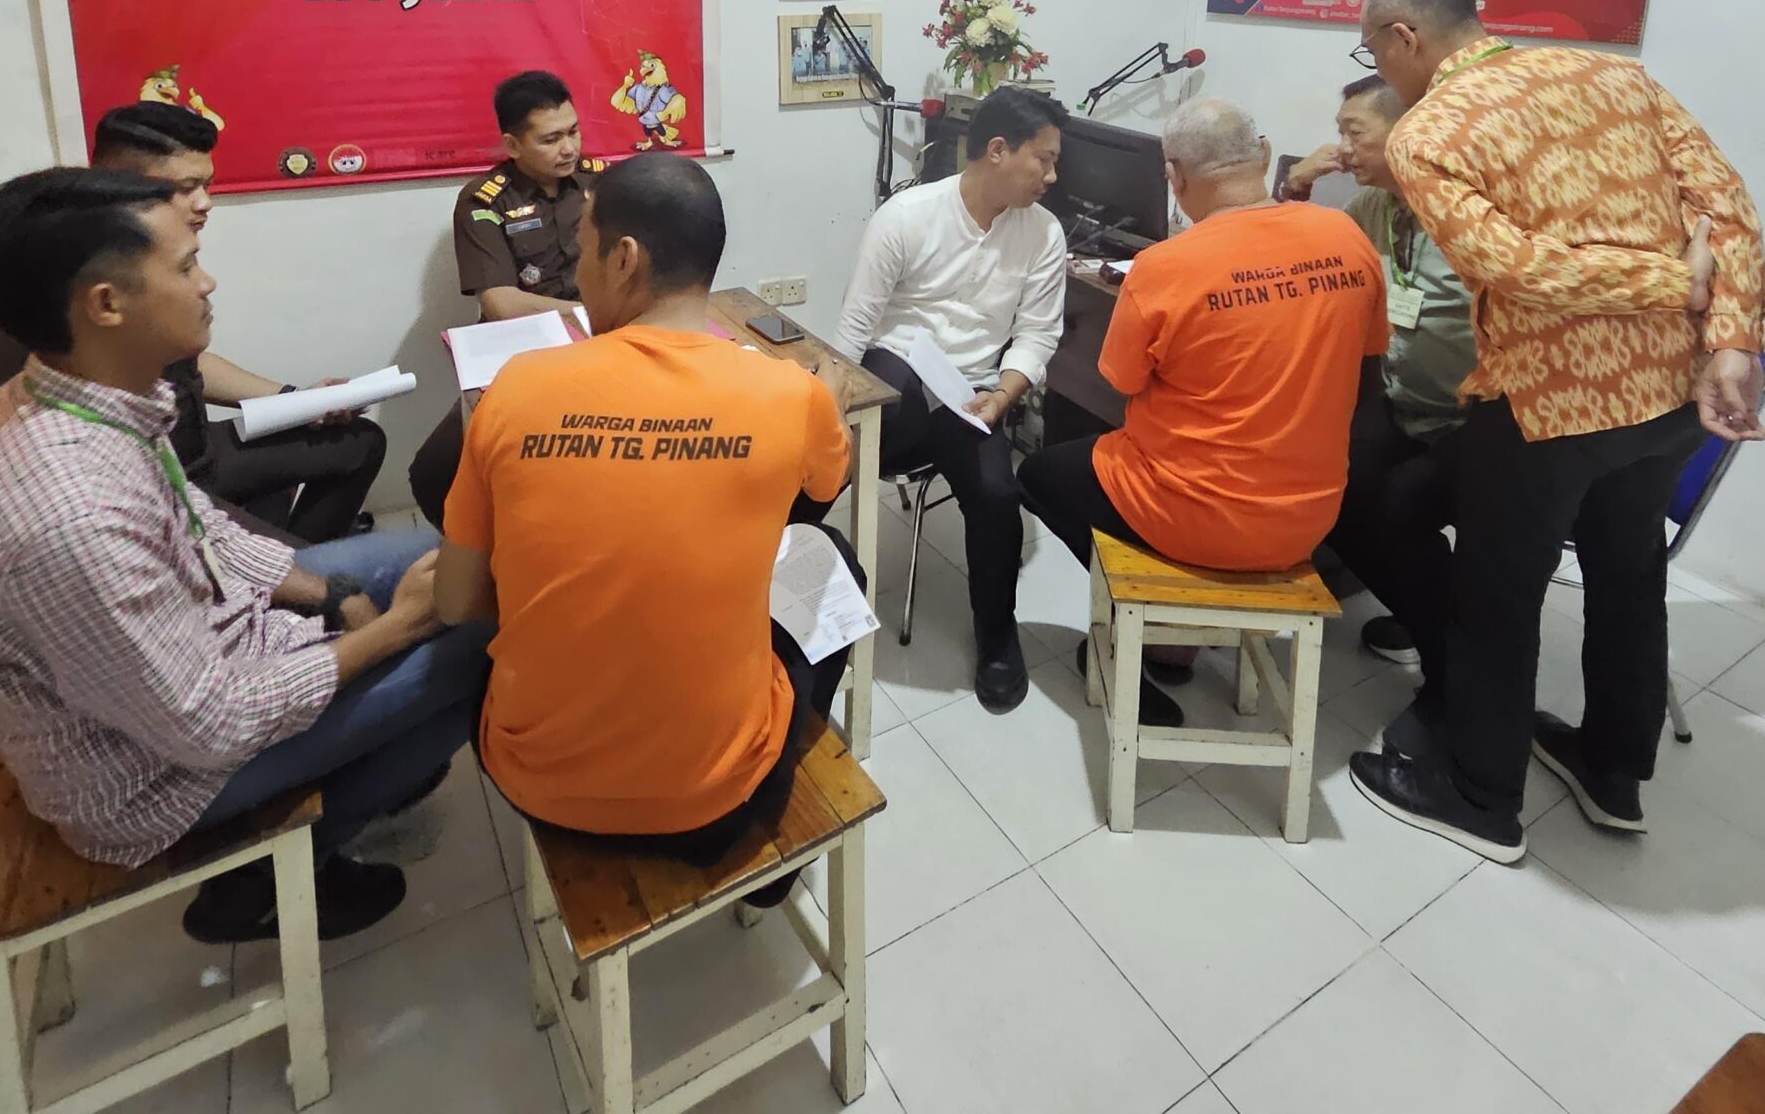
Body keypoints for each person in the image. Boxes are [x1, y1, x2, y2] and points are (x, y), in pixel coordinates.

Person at [0, 168, 487, 942]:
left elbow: (202, 527)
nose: (207, 282)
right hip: (152, 777)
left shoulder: (69, 395)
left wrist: (332, 595)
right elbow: (211, 725)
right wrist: (397, 629)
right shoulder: (68, 519)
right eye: (185, 267)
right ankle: (272, 877)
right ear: (106, 304)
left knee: (451, 564)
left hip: (216, 644)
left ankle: (372, 747)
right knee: (477, 649)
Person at [1343, 0, 1765, 863]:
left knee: (1496, 597)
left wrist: (1670, 284)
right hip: (1670, 394)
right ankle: (1614, 773)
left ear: (1403, 39)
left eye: (1371, 50)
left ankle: (1479, 795)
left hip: (1550, 404)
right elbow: (1725, 206)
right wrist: (1731, 337)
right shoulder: (1616, 75)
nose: (1376, 67)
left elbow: (1511, 266)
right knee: (1629, 576)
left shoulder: (1430, 132)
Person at [433, 155, 858, 896]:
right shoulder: (792, 395)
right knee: (829, 560)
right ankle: (772, 823)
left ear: (624, 259)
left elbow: (454, 603)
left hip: (532, 783)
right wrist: (832, 406)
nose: (578, 275)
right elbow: (823, 490)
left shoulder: (513, 388)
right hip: (712, 806)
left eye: (582, 252)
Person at [1019, 97, 1389, 724]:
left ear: (1174, 176)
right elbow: (1366, 358)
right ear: (1263, 156)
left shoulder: (1166, 266)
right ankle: (1170, 636)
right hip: (1310, 517)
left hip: (1194, 517)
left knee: (1038, 476)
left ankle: (1145, 626)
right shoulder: (1347, 239)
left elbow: (1122, 381)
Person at [0, 102, 385, 541]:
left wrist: (294, 400)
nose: (204, 203)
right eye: (184, 188)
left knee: (356, 443)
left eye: (206, 185)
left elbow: (187, 363)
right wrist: (67, 526)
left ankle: (293, 572)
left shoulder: (153, 255)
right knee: (341, 582)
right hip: (159, 489)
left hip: (196, 454)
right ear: (118, 183)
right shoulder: (60, 293)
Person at [830, 84, 1067, 713]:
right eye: (1043, 159)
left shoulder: (1043, 234)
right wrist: (832, 413)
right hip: (898, 372)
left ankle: (997, 635)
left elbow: (1038, 333)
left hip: (974, 392)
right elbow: (856, 327)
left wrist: (1003, 395)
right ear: (998, 150)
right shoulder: (907, 216)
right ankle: (781, 564)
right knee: (875, 420)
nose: (1052, 176)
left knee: (997, 493)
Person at [1284, 75, 1476, 675]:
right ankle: (1423, 610)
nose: (1342, 149)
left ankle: (1452, 657)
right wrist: (1294, 188)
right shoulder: (1372, 207)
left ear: (1410, 132)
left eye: (1354, 133)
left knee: (1395, 513)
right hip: (1398, 401)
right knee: (1332, 494)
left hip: (1476, 420)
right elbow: (1297, 267)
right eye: (1340, 133)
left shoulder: (1469, 218)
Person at [406, 71, 608, 525]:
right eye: (551, 139)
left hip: (603, 345)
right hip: (522, 354)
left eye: (573, 132)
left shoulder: (604, 183)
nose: (569, 149)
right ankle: (478, 554)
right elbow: (501, 303)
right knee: (434, 471)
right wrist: (589, 310)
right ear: (513, 145)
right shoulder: (484, 201)